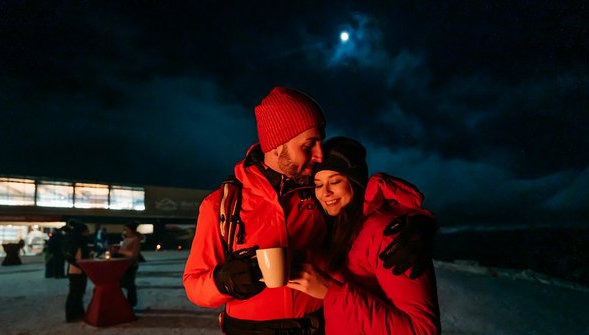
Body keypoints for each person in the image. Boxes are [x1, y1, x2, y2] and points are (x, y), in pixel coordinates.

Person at [183, 86, 437, 334]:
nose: (318, 155)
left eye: (320, 143)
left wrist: (416, 222)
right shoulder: (222, 205)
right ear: (277, 145)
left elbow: (368, 201)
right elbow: (194, 284)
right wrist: (224, 282)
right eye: (309, 145)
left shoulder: (316, 194)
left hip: (317, 327)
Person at [287, 137, 440, 334]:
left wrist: (329, 291)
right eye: (318, 184)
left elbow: (423, 331)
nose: (325, 193)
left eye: (335, 181)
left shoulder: (388, 233)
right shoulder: (344, 227)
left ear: (355, 181)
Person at [63, 221, 90, 322]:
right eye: (87, 230)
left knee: (77, 293)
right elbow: (74, 257)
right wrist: (81, 265)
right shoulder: (78, 242)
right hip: (77, 270)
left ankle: (76, 312)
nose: (89, 231)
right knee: (75, 293)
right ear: (82, 232)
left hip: (77, 270)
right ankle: (72, 314)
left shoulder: (75, 241)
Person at [111, 223, 142, 307]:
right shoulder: (126, 239)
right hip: (123, 265)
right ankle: (125, 302)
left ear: (131, 230)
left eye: (126, 229)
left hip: (131, 265)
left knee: (129, 284)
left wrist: (118, 251)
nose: (125, 231)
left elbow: (133, 254)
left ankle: (131, 303)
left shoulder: (136, 240)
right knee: (123, 284)